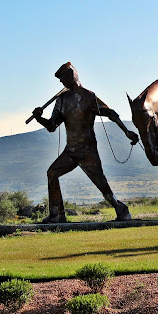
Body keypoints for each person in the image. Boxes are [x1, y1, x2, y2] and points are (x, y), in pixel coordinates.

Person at [32, 62, 139, 223]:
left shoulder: (89, 97)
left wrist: (126, 131)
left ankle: (122, 210)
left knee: (101, 184)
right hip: (71, 151)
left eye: (63, 79)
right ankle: (57, 214)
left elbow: (110, 113)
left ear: (72, 76)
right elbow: (52, 126)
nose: (62, 83)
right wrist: (40, 118)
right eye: (60, 81)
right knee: (52, 173)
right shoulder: (62, 100)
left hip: (87, 150)